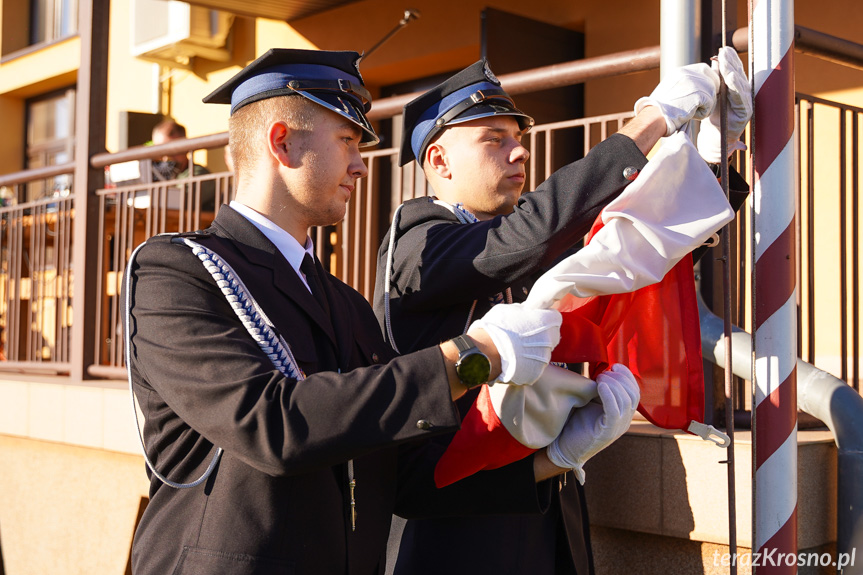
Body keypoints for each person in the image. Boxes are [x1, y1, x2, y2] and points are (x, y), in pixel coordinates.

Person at [125, 48, 586, 575]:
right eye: (347, 140)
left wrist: (555, 459)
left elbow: (408, 478)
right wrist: (474, 354)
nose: (361, 164)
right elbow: (271, 423)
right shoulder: (178, 272)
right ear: (282, 143)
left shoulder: (344, 304)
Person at [374, 53, 751, 575]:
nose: (519, 150)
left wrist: (710, 158)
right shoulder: (418, 243)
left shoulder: (517, 246)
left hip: (549, 522)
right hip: (456, 538)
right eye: (494, 139)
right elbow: (524, 239)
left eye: (517, 136)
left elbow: (626, 265)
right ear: (439, 161)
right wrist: (651, 121)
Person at [150, 119, 217, 210]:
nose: (166, 156)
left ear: (185, 145)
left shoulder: (198, 173)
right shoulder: (157, 174)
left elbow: (181, 202)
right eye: (159, 151)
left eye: (172, 149)